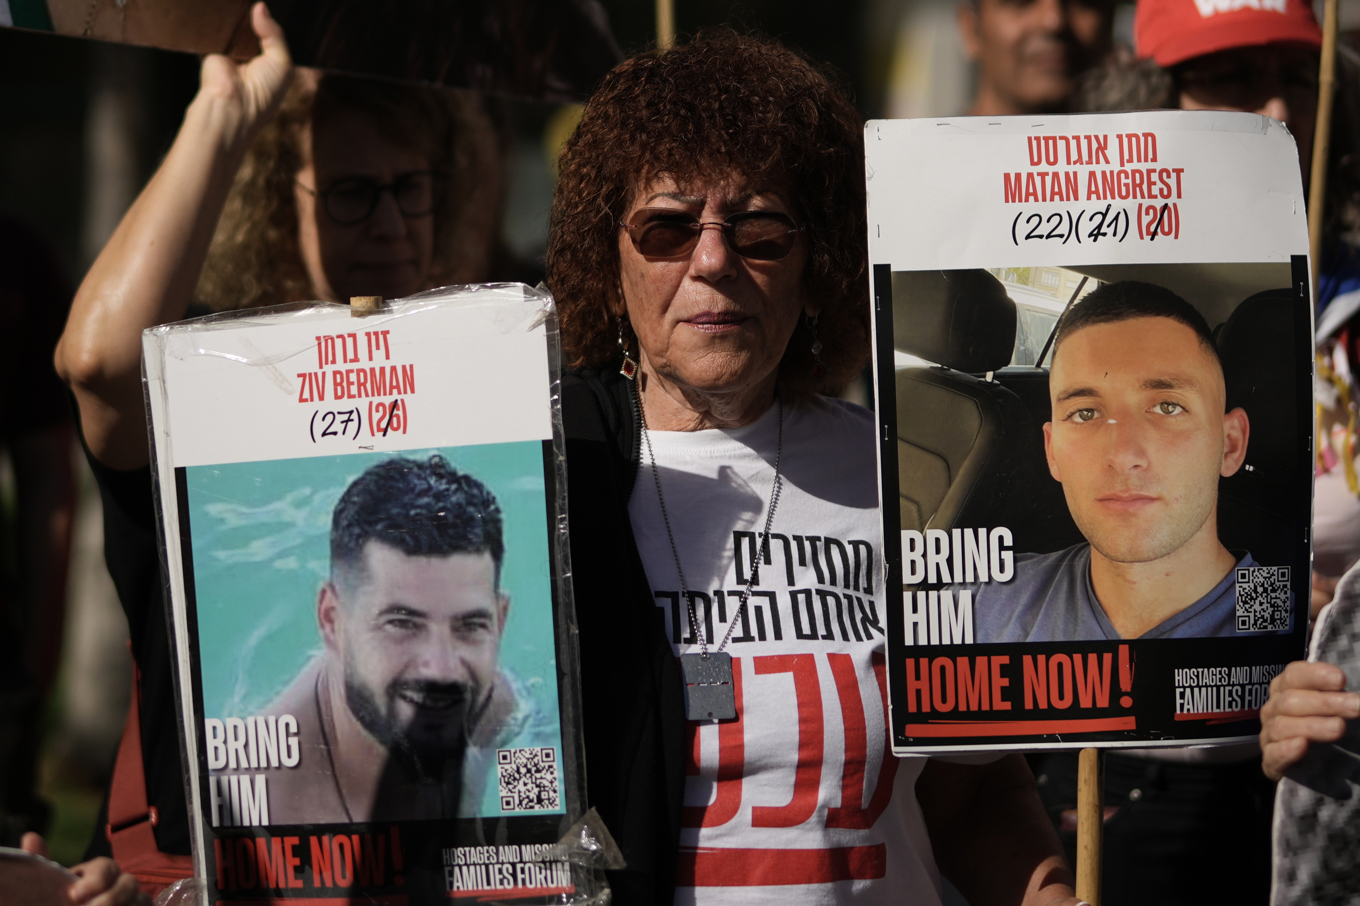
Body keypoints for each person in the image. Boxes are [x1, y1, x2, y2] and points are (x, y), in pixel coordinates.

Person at [547, 31, 1081, 905]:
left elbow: (972, 783)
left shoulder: (909, 483)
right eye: (668, 228)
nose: (713, 260)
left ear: (818, 260)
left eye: (759, 228)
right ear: (610, 260)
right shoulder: (551, 487)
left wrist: (1048, 891)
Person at [54, 1, 501, 872]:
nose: (389, 223)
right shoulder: (207, 391)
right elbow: (99, 364)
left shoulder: (490, 389)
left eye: (412, 188)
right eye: (349, 193)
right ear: (269, 202)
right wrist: (224, 110)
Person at [237, 455, 540, 823]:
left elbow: (544, 831)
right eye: (402, 623)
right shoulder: (261, 803)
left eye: (470, 625)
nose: (443, 671)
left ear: (500, 620)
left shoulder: (500, 709)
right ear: (331, 620)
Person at [967, 280, 1266, 643]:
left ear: (1230, 446)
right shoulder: (980, 604)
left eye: (1167, 407)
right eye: (1085, 413)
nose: (1123, 456)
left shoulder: (1305, 640)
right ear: (1052, 452)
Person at [957, 0, 1114, 116]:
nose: (1053, 21)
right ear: (971, 29)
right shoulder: (936, 159)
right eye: (1021, 2)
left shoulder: (1134, 157)